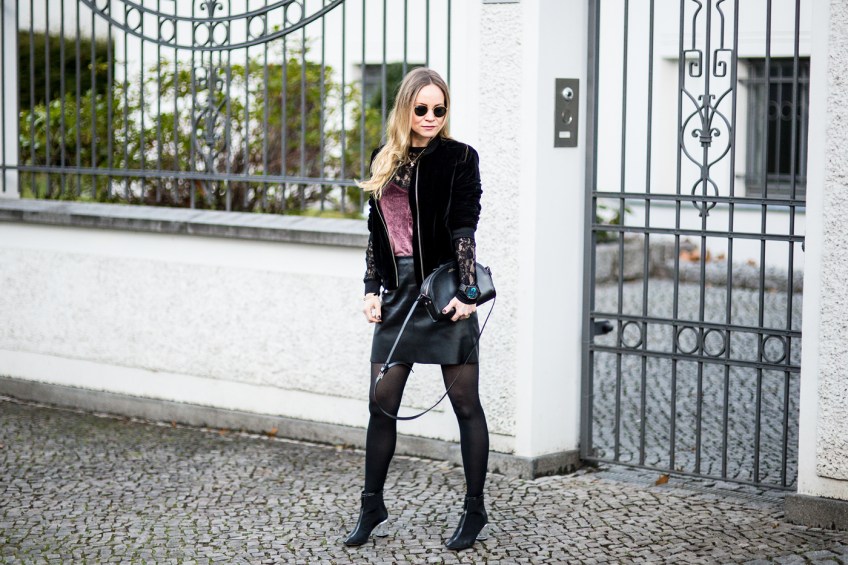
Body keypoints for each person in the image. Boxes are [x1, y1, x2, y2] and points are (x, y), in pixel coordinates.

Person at [343, 68, 490, 551]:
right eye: (421, 108)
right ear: (405, 108)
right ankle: (372, 505)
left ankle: (474, 508)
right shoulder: (384, 157)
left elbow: (464, 228)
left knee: (465, 404)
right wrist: (371, 288)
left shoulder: (460, 158)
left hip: (443, 293)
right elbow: (376, 233)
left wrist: (468, 293)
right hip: (399, 295)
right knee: (381, 402)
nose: (430, 117)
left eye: (439, 109)